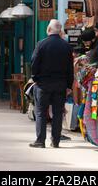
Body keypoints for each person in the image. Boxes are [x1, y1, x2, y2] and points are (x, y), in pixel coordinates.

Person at [30, 19, 74, 148]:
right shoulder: (66, 46)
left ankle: (40, 140)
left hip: (43, 84)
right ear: (59, 31)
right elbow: (69, 68)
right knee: (57, 113)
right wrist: (68, 85)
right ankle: (55, 141)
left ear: (48, 30)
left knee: (41, 112)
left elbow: (34, 63)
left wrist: (35, 78)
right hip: (60, 84)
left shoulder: (41, 44)